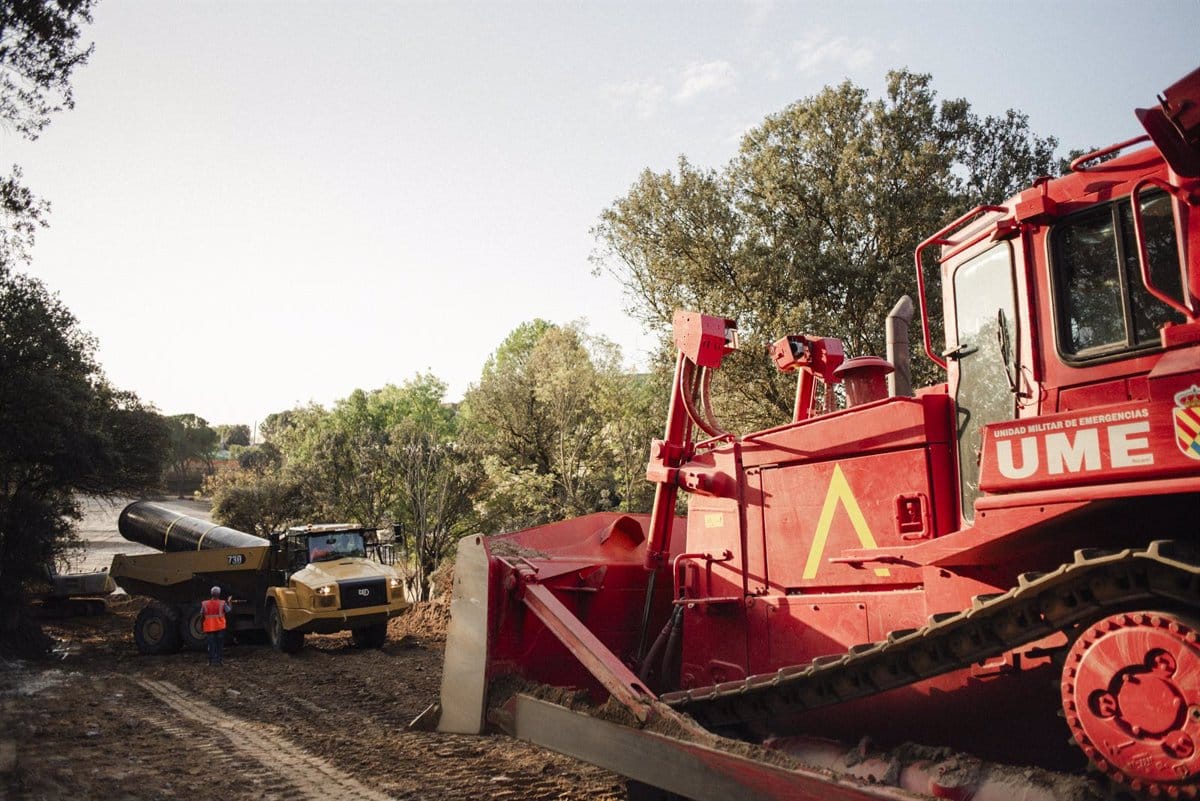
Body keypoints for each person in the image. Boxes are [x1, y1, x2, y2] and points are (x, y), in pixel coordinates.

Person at [201, 585, 233, 666]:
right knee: (219, 645)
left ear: (211, 594)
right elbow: (229, 611)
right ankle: (219, 661)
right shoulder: (222, 603)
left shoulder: (205, 603)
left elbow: (202, 615)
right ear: (219, 594)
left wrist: (202, 626)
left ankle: (210, 662)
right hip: (220, 627)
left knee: (211, 645)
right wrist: (229, 602)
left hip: (209, 628)